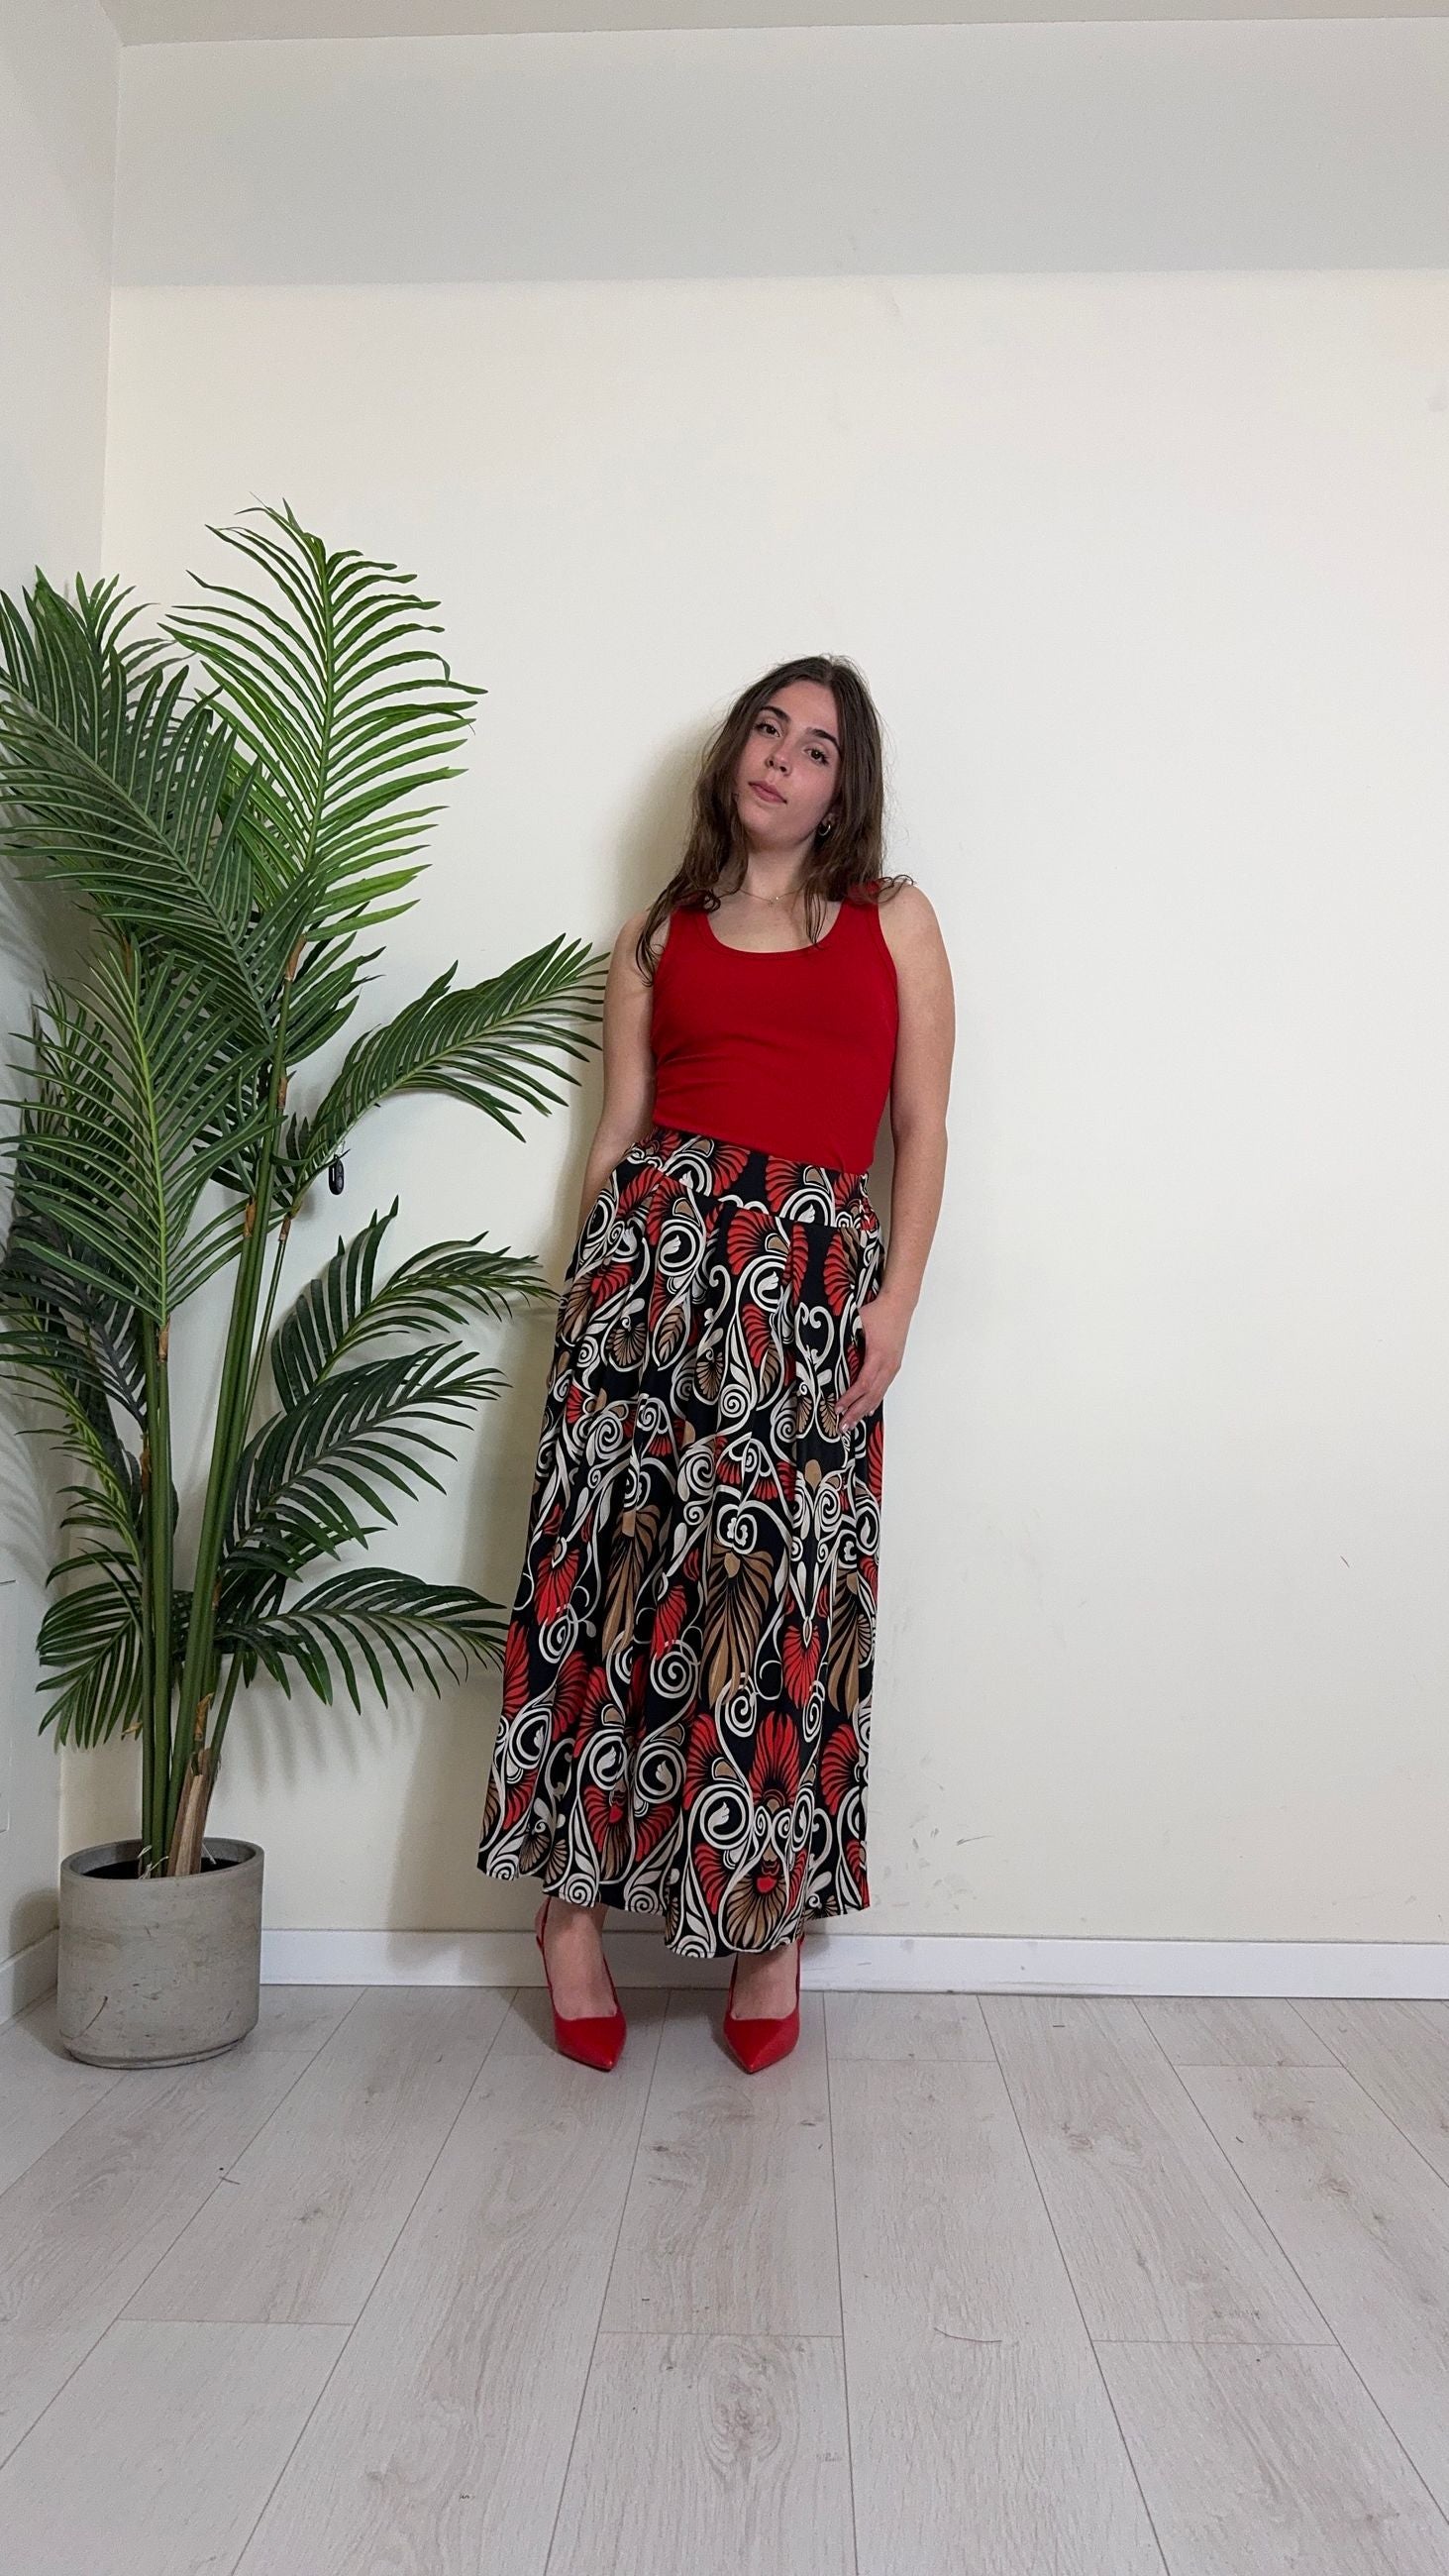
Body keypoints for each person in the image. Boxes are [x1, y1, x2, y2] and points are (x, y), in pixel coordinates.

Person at [476, 655, 954, 2070]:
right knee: (611, 1592)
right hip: (647, 1288)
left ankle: (766, 1926)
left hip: (807, 1297)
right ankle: (569, 1914)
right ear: (734, 752)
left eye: (816, 748)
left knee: (776, 1603)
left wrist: (896, 1303)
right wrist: (584, 1301)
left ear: (841, 793)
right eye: (767, 729)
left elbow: (922, 1128)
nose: (781, 758)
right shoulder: (653, 936)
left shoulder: (894, 920)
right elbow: (616, 1134)